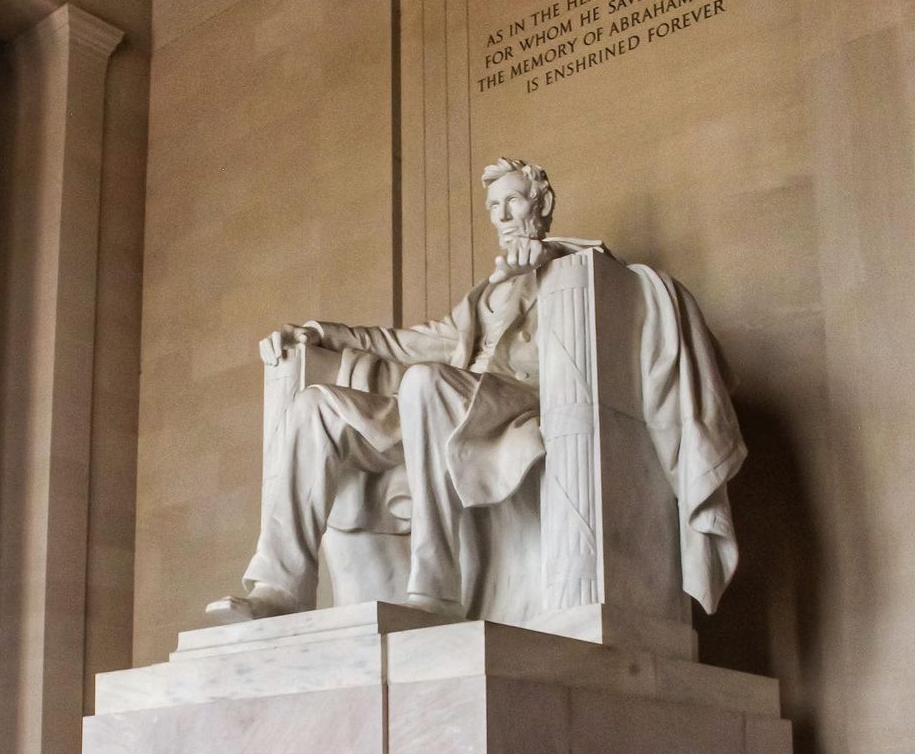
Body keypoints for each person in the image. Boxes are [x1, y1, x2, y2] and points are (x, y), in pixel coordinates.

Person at [207, 156, 745, 627]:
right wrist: (321, 333)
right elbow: (409, 343)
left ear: (542, 204)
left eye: (513, 201)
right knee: (315, 407)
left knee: (425, 383)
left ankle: (435, 589)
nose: (503, 216)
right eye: (493, 207)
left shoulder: (587, 269)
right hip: (444, 404)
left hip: (519, 407)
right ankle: (281, 588)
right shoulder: (483, 296)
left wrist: (547, 264)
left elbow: (610, 321)